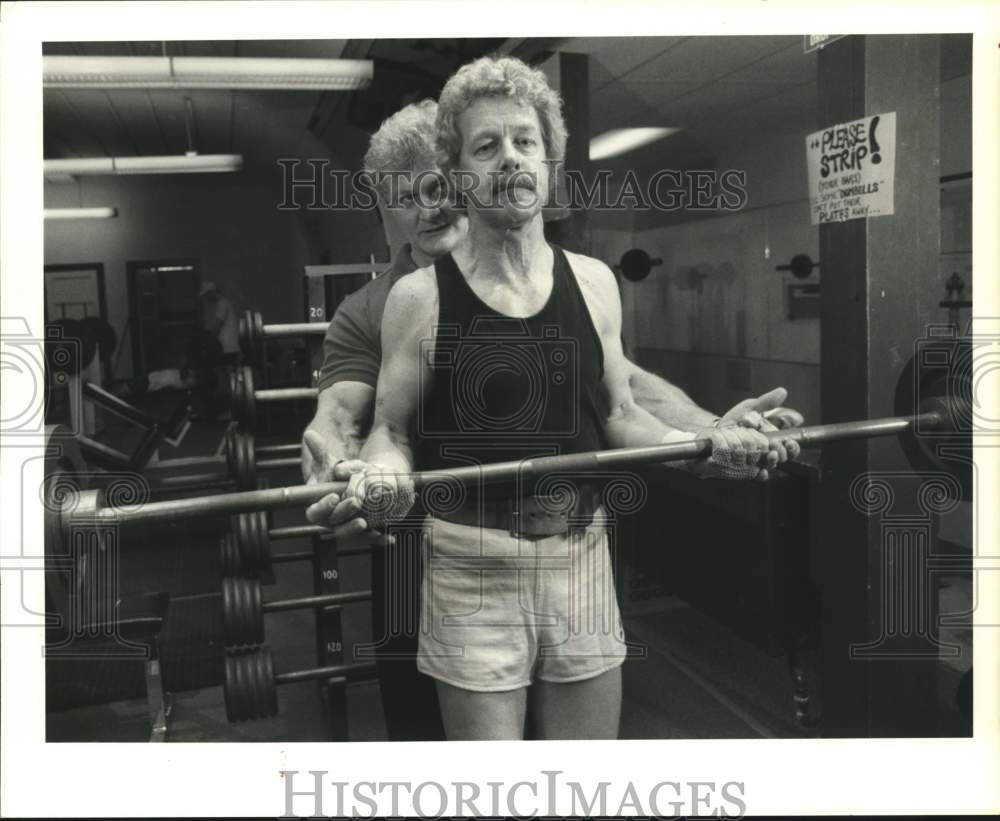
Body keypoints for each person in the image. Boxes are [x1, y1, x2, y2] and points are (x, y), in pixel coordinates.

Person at [306, 57, 801, 741]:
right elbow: (360, 421)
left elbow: (619, 398)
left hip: (579, 549)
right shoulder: (396, 304)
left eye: (523, 142)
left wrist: (708, 435)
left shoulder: (590, 282)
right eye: (485, 147)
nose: (508, 159)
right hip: (451, 552)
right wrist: (352, 472)